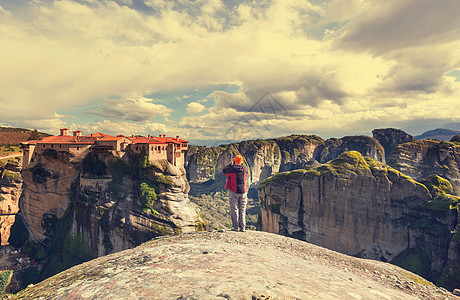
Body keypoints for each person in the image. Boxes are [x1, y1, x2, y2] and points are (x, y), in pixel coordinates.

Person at [223, 154, 248, 232]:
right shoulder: (244, 169)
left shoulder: (232, 169)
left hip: (234, 191)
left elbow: (224, 171)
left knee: (234, 209)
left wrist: (230, 165)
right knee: (242, 210)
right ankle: (242, 227)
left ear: (235, 161)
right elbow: (246, 175)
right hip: (243, 192)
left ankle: (236, 227)